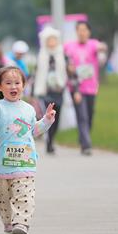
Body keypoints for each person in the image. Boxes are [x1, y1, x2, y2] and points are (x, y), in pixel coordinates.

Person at [0, 66, 55, 234]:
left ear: (24, 85)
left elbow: (34, 131)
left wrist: (47, 120)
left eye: (17, 83)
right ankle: (8, 221)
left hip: (25, 163)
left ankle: (22, 222)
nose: (13, 87)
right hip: (2, 165)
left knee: (24, 195)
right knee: (0, 197)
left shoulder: (28, 109)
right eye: (8, 83)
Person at [64, 21, 107, 156]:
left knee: (89, 115)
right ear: (76, 32)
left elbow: (102, 48)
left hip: (91, 87)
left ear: (88, 32)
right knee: (82, 115)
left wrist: (103, 48)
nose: (82, 32)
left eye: (84, 30)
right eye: (79, 30)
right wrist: (67, 66)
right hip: (76, 87)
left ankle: (83, 138)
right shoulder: (69, 46)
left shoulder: (93, 44)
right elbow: (63, 59)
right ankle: (87, 144)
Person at [34, 26, 67, 154]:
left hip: (58, 91)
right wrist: (32, 92)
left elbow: (69, 71)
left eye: (54, 39)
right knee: (46, 116)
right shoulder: (41, 56)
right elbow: (36, 73)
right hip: (45, 92)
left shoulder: (62, 55)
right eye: (49, 40)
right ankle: (49, 142)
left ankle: (52, 139)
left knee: (56, 118)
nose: (52, 42)